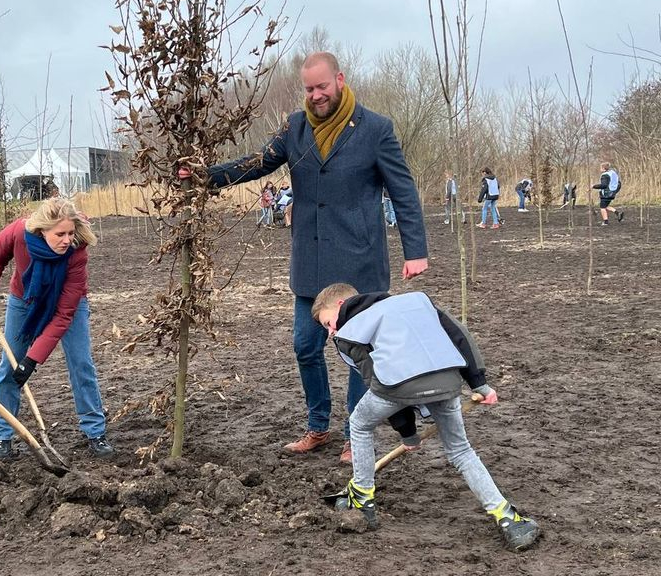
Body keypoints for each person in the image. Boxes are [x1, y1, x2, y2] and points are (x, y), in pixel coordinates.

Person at [178, 51, 429, 463]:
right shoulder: (295, 127)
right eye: (309, 89)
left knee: (356, 355)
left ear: (340, 80)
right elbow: (256, 164)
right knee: (305, 347)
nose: (315, 95)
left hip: (359, 263)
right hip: (310, 264)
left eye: (322, 87)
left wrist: (415, 251)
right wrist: (206, 176)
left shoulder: (376, 129)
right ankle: (318, 426)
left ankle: (355, 433)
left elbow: (403, 192)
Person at [313, 283, 541, 552]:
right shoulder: (417, 301)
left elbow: (377, 379)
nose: (331, 332)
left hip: (395, 388)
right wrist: (479, 384)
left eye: (328, 323)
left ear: (340, 305)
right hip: (448, 381)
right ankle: (510, 520)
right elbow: (459, 336)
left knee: (360, 425)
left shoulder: (350, 334)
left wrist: (407, 432)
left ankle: (362, 501)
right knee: (460, 450)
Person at [0, 198, 114, 460]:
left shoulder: (77, 252)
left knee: (81, 363)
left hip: (68, 304)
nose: (67, 240)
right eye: (60, 234)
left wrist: (33, 360)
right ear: (42, 231)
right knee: (10, 365)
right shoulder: (18, 232)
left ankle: (95, 431)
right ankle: (2, 436)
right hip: (24, 300)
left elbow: (63, 315)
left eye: (70, 233)